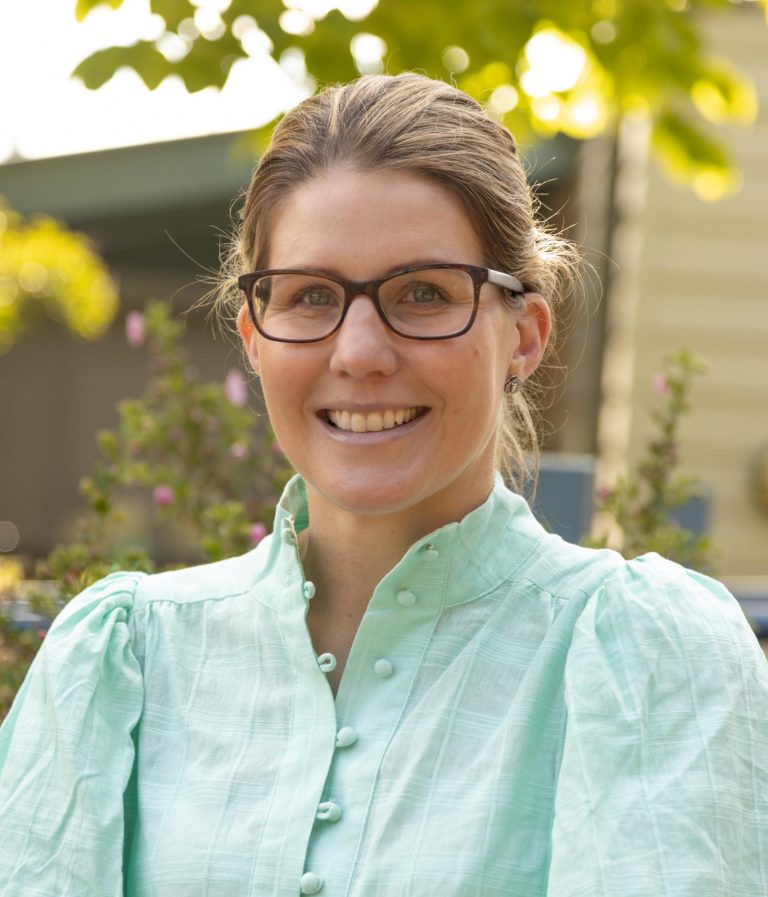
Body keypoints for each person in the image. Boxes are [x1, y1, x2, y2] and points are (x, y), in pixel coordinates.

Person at [1, 74, 767, 897]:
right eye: (311, 296)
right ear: (254, 337)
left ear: (525, 337)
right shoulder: (122, 663)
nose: (359, 350)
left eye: (424, 293)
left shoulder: (644, 659)